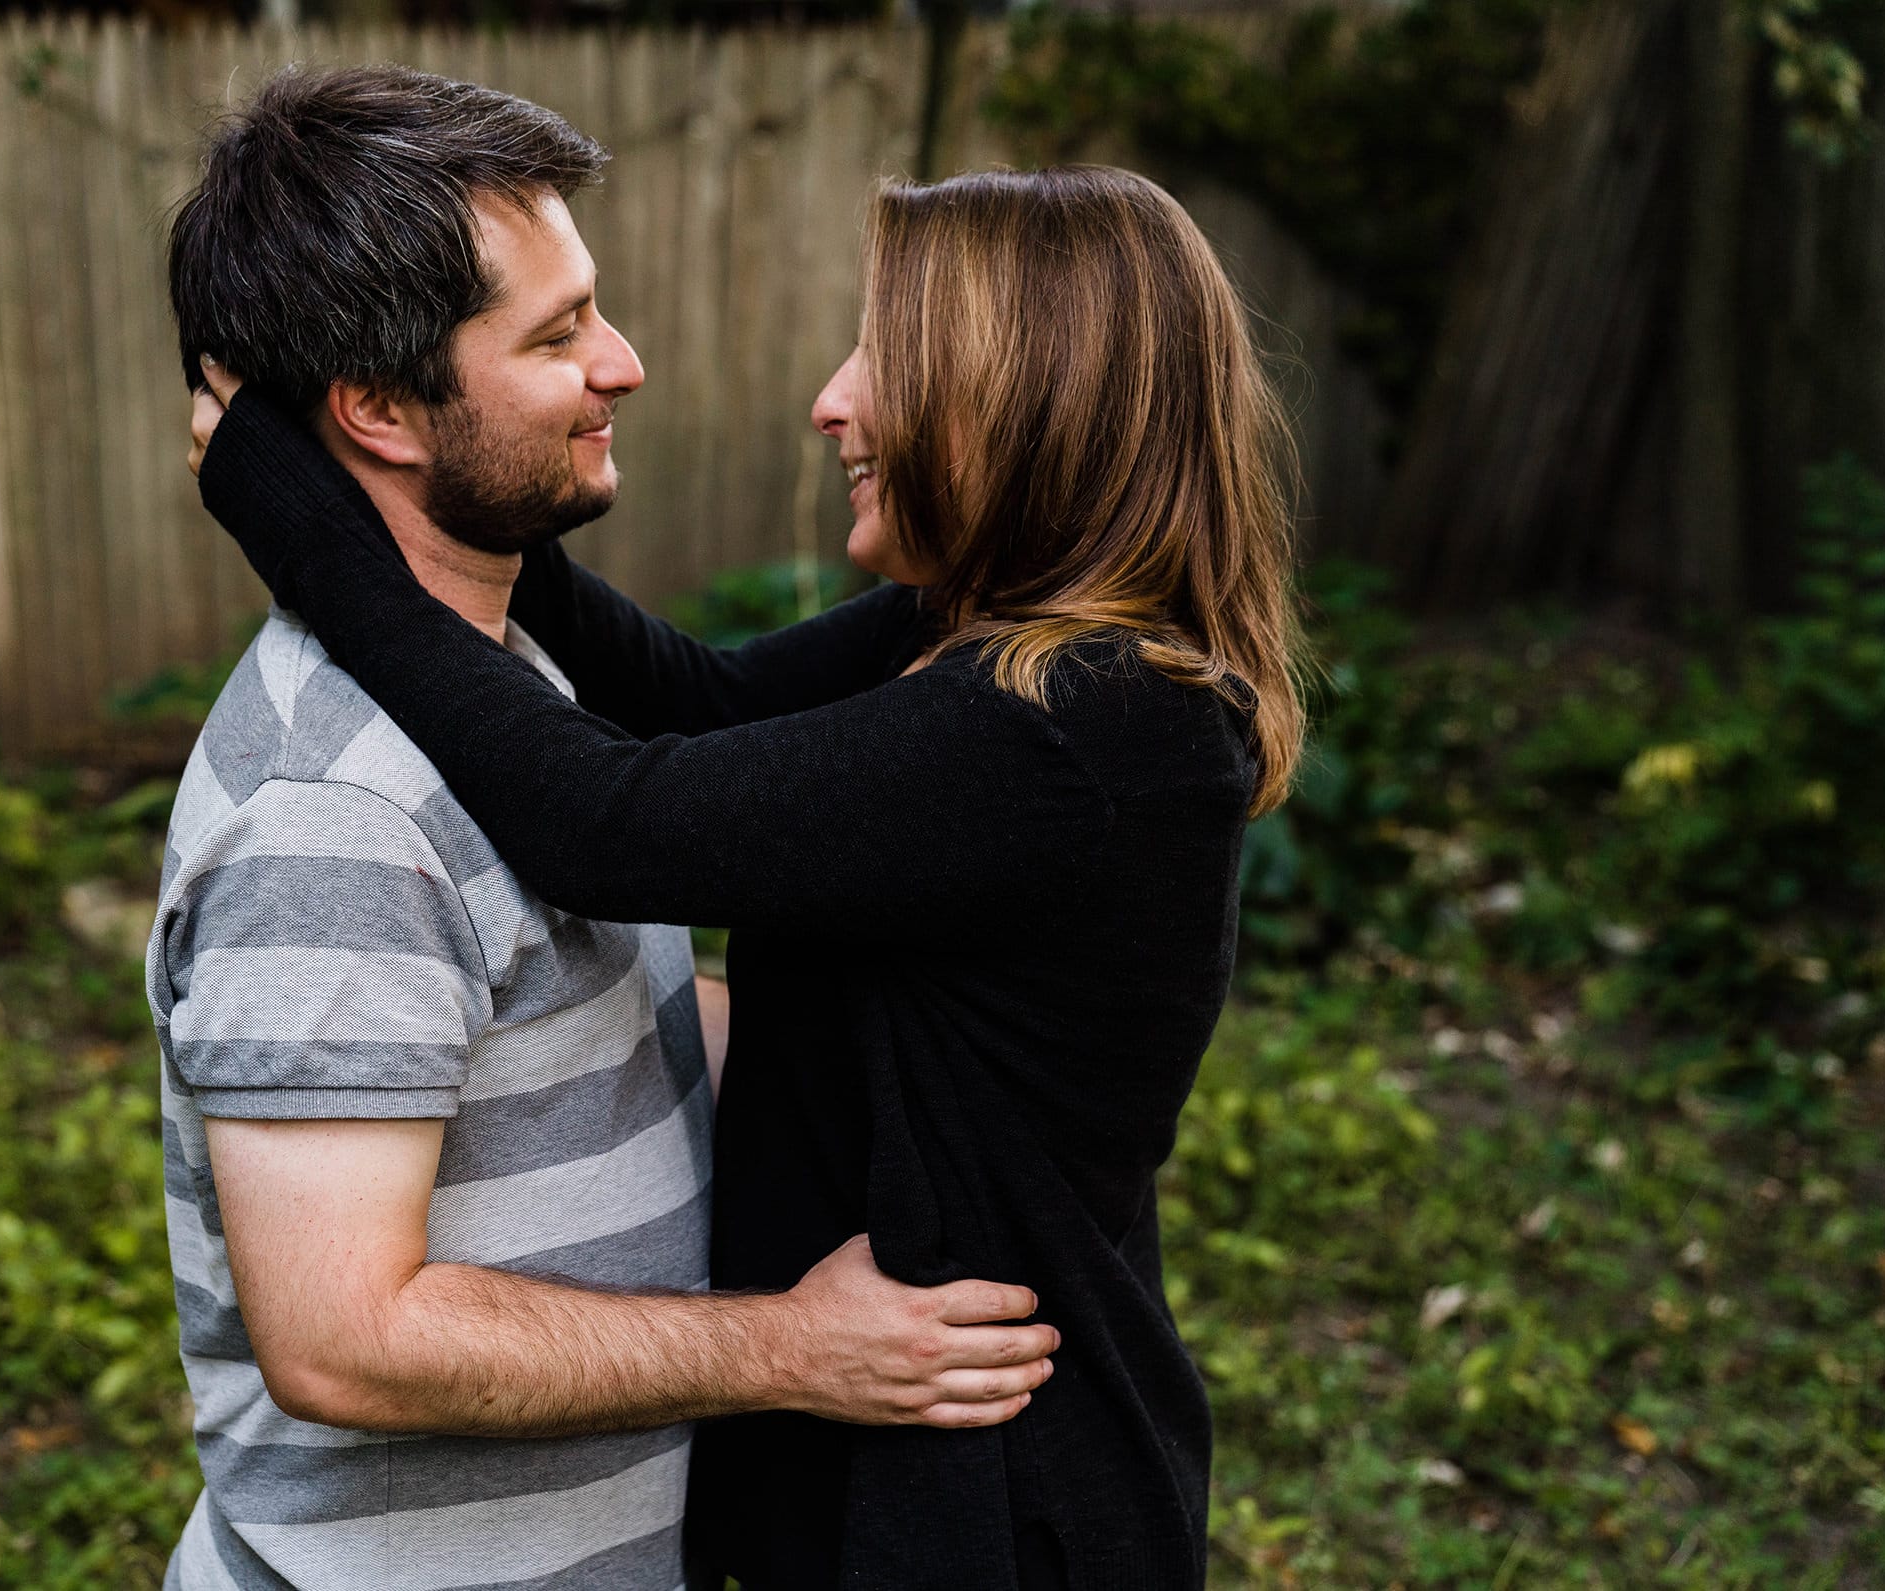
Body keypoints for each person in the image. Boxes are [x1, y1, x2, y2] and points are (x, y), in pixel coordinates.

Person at [189, 163, 1305, 1588]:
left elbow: (604, 818)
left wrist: (308, 529)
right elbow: (697, 706)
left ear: (1028, 400)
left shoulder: (1078, 721)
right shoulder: (971, 637)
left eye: (886, 362)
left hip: (977, 1492)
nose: (834, 399)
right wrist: (445, 497)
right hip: (868, 1450)